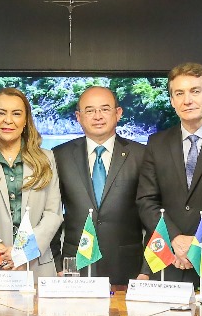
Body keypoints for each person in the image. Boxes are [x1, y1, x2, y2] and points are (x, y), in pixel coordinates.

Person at [137, 63, 202, 284]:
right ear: (172, 100)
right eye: (179, 93)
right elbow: (146, 200)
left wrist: (198, 243)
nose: (187, 100)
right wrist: (175, 238)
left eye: (195, 91)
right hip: (166, 258)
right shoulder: (156, 143)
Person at [53, 86, 147, 284]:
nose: (98, 116)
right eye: (90, 110)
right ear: (78, 116)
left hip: (128, 266)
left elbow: (153, 212)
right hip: (74, 265)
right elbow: (51, 212)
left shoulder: (142, 155)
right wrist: (56, 263)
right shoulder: (59, 156)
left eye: (105, 109)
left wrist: (147, 269)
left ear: (118, 113)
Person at [0, 88, 63, 278]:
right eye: (1, 113)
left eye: (16, 114)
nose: (8, 120)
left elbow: (53, 213)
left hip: (37, 265)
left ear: (25, 120)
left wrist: (24, 251)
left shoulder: (46, 159)